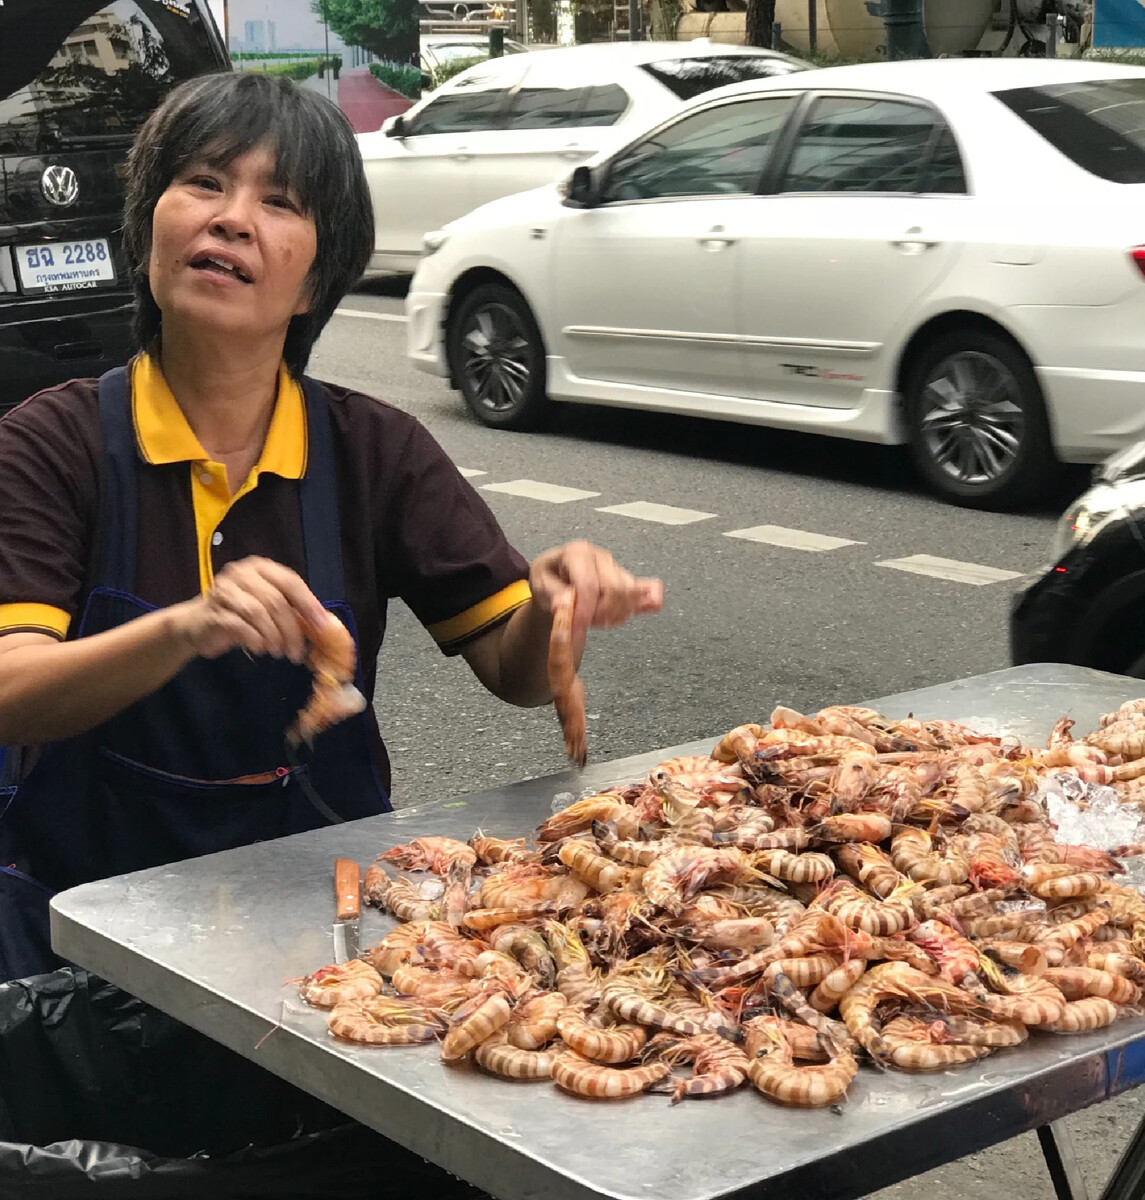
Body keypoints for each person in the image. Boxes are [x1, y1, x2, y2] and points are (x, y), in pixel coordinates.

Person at [0, 72, 663, 984]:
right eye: (202, 183)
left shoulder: (372, 450)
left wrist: (555, 604)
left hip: (325, 947)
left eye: (278, 202)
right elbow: (12, 689)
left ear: (318, 277)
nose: (231, 220)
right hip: (84, 948)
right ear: (148, 226)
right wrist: (185, 627)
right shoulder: (52, 443)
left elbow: (514, 672)